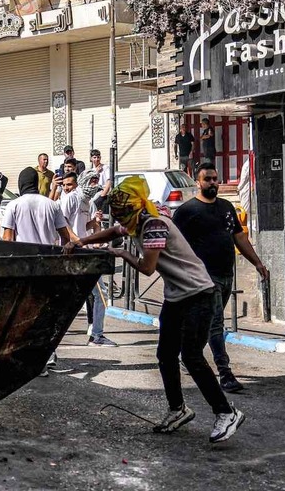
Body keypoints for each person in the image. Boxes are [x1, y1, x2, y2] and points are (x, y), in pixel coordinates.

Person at [65, 176, 245, 443]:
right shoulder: (137, 221)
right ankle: (178, 409)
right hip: (177, 297)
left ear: (135, 207)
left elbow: (147, 268)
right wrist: (81, 241)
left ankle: (226, 412)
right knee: (165, 355)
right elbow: (114, 232)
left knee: (192, 356)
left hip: (199, 294)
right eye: (118, 215)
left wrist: (121, 254)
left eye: (124, 214)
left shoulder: (154, 225)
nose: (121, 220)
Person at [173, 162, 270, 393]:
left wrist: (257, 263)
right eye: (208, 179)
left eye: (216, 178)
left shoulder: (227, 207)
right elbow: (175, 245)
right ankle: (225, 374)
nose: (213, 183)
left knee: (205, 323)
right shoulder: (187, 212)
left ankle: (185, 354)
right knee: (216, 323)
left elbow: (240, 238)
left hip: (227, 275)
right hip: (204, 279)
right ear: (198, 182)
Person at [58, 170, 115, 346]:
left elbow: (84, 226)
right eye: (91, 182)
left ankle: (96, 334)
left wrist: (95, 223)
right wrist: (76, 241)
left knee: (91, 294)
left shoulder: (86, 201)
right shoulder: (71, 198)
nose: (94, 185)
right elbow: (62, 224)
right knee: (98, 293)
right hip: (76, 253)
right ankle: (96, 335)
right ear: (81, 183)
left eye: (96, 182)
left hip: (83, 251)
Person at [1, 167, 71, 246]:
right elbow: (65, 237)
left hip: (25, 256)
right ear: (36, 183)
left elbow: (7, 239)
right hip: (49, 255)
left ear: (20, 184)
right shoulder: (53, 205)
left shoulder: (13, 205)